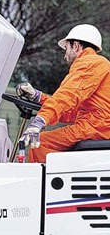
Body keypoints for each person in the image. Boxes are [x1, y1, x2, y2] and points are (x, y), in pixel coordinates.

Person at [16, 24, 110, 163]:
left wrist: (38, 123)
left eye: (66, 49)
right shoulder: (96, 64)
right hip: (96, 126)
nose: (65, 56)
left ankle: (41, 184)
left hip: (97, 128)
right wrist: (37, 97)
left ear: (76, 46)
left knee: (42, 143)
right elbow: (70, 111)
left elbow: (66, 97)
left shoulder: (89, 63)